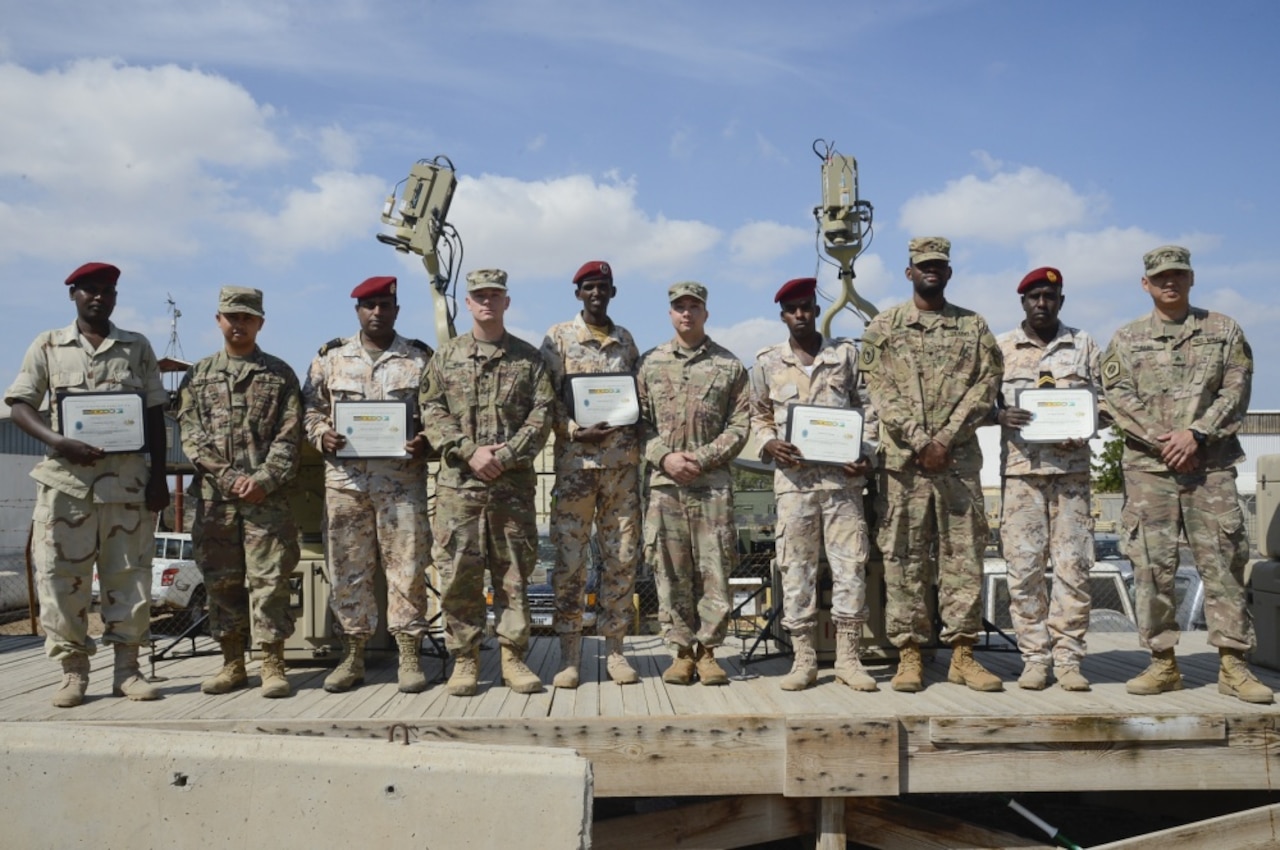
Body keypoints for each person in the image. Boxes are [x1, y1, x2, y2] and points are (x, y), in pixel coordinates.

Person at [1102, 245, 1271, 704]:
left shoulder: (1224, 330)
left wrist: (1196, 434)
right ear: (1145, 285)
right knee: (1152, 568)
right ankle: (1162, 663)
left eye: (1177, 275)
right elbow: (1117, 398)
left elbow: (1236, 390)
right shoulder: (1125, 338)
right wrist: (1167, 440)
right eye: (1160, 278)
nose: (1169, 283)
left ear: (1192, 278)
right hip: (1149, 473)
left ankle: (1233, 664)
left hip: (1209, 467)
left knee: (1223, 564)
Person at [4, 262, 168, 707]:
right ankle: (73, 673)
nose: (99, 297)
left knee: (130, 579)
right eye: (89, 290)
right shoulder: (48, 345)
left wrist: (159, 477)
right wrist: (59, 441)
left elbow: (155, 412)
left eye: (108, 291)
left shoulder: (136, 347)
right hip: (66, 486)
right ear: (73, 295)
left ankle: (128, 672)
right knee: (61, 580)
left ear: (116, 297)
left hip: (128, 488)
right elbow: (20, 404)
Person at [860, 237, 1004, 693]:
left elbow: (987, 384)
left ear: (949, 271)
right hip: (905, 466)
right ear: (909, 272)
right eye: (923, 265)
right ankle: (909, 653)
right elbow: (880, 392)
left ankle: (963, 652)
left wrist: (944, 438)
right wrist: (922, 440)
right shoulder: (884, 327)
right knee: (904, 558)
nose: (931, 271)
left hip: (957, 463)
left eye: (939, 265)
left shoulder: (973, 326)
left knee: (963, 558)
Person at [419, 269, 554, 697]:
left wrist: (508, 454)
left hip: (510, 487)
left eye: (495, 295)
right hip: (460, 486)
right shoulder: (446, 358)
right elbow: (431, 409)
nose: (487, 303)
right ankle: (465, 659)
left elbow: (542, 413)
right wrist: (467, 449)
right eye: (479, 296)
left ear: (507, 302)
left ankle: (513, 656)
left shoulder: (529, 360)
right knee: (459, 574)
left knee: (514, 575)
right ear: (468, 302)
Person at [303, 275, 434, 694]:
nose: (377, 312)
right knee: (347, 570)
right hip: (346, 484)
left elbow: (437, 412)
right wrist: (321, 433)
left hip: (401, 484)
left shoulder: (418, 359)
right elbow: (309, 410)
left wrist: (426, 440)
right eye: (369, 305)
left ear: (397, 309)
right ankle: (353, 654)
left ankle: (409, 654)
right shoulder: (331, 358)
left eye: (384, 304)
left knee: (407, 569)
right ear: (357, 310)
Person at [749, 277, 878, 692]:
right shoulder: (768, 362)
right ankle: (803, 658)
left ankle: (848, 658)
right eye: (792, 310)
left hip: (842, 484)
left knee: (850, 568)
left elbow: (869, 407)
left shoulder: (845, 355)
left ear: (816, 311)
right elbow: (757, 414)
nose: (801, 315)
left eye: (806, 307)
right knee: (796, 569)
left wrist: (868, 452)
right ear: (783, 316)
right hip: (795, 484)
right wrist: (769, 441)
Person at [178, 286, 303, 699]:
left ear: (260, 322)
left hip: (267, 502)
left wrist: (263, 479)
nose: (239, 324)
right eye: (232, 316)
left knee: (270, 583)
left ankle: (272, 664)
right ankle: (232, 663)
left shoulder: (280, 374)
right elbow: (191, 435)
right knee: (222, 584)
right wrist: (230, 478)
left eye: (248, 317)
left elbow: (290, 436)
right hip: (216, 502)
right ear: (218, 320)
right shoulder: (197, 376)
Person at [994, 267, 1101, 691]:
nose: (1043, 303)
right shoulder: (1001, 348)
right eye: (1035, 296)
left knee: (1075, 568)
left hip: (1072, 475)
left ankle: (1070, 659)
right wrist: (999, 415)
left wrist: (1091, 421)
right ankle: (1035, 658)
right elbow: (983, 404)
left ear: (1061, 301)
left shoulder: (1083, 344)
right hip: (1022, 475)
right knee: (1024, 571)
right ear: (1023, 301)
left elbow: (1107, 400)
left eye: (1050, 296)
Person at [637, 282, 750, 686]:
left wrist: (700, 459)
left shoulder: (729, 365)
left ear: (706, 312)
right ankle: (681, 651)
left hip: (711, 486)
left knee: (714, 569)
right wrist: (664, 457)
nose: (686, 313)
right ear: (670, 313)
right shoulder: (650, 364)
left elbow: (740, 426)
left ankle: (709, 652)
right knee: (670, 571)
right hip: (665, 486)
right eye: (679, 307)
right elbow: (638, 423)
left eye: (694, 307)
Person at [539, 261, 642, 688]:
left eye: (602, 287)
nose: (596, 293)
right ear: (577, 293)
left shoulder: (626, 340)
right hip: (577, 467)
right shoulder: (558, 338)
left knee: (621, 559)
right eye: (588, 287)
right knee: (570, 562)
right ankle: (570, 654)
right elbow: (545, 399)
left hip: (620, 469)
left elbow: (635, 396)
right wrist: (573, 430)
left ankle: (615, 650)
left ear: (613, 292)